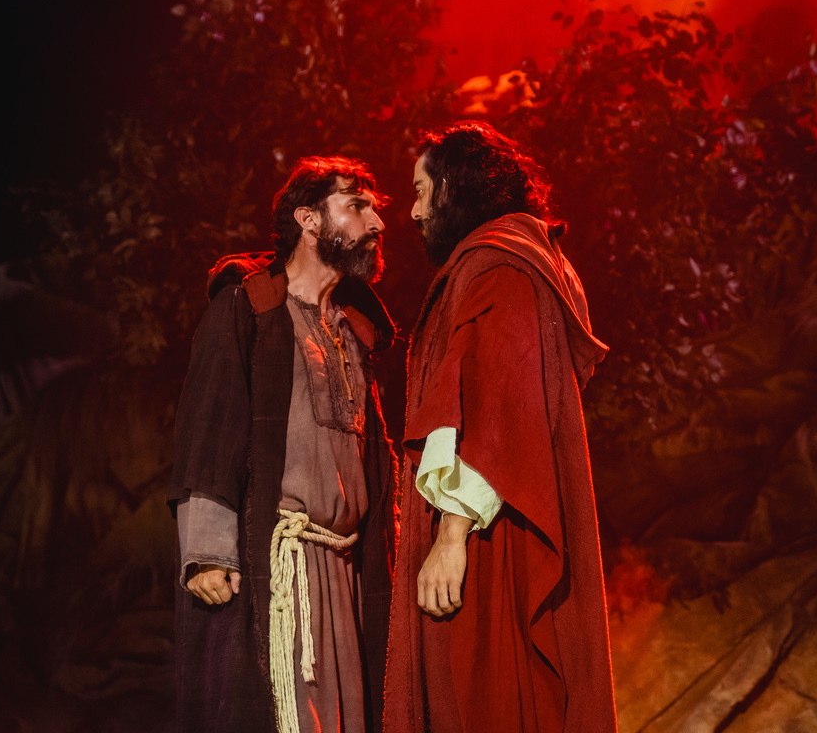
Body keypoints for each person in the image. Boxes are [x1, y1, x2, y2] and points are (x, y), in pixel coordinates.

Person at [384, 121, 617, 733]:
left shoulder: (499, 268)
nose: (413, 212)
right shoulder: (521, 257)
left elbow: (493, 407)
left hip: (490, 536)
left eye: (420, 191)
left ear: (452, 186)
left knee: (483, 691)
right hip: (495, 520)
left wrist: (450, 538)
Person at [169, 156, 400, 733]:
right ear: (308, 219)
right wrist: (208, 551)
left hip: (346, 570)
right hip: (281, 568)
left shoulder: (353, 330)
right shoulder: (249, 309)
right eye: (357, 205)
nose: (376, 223)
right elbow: (209, 425)